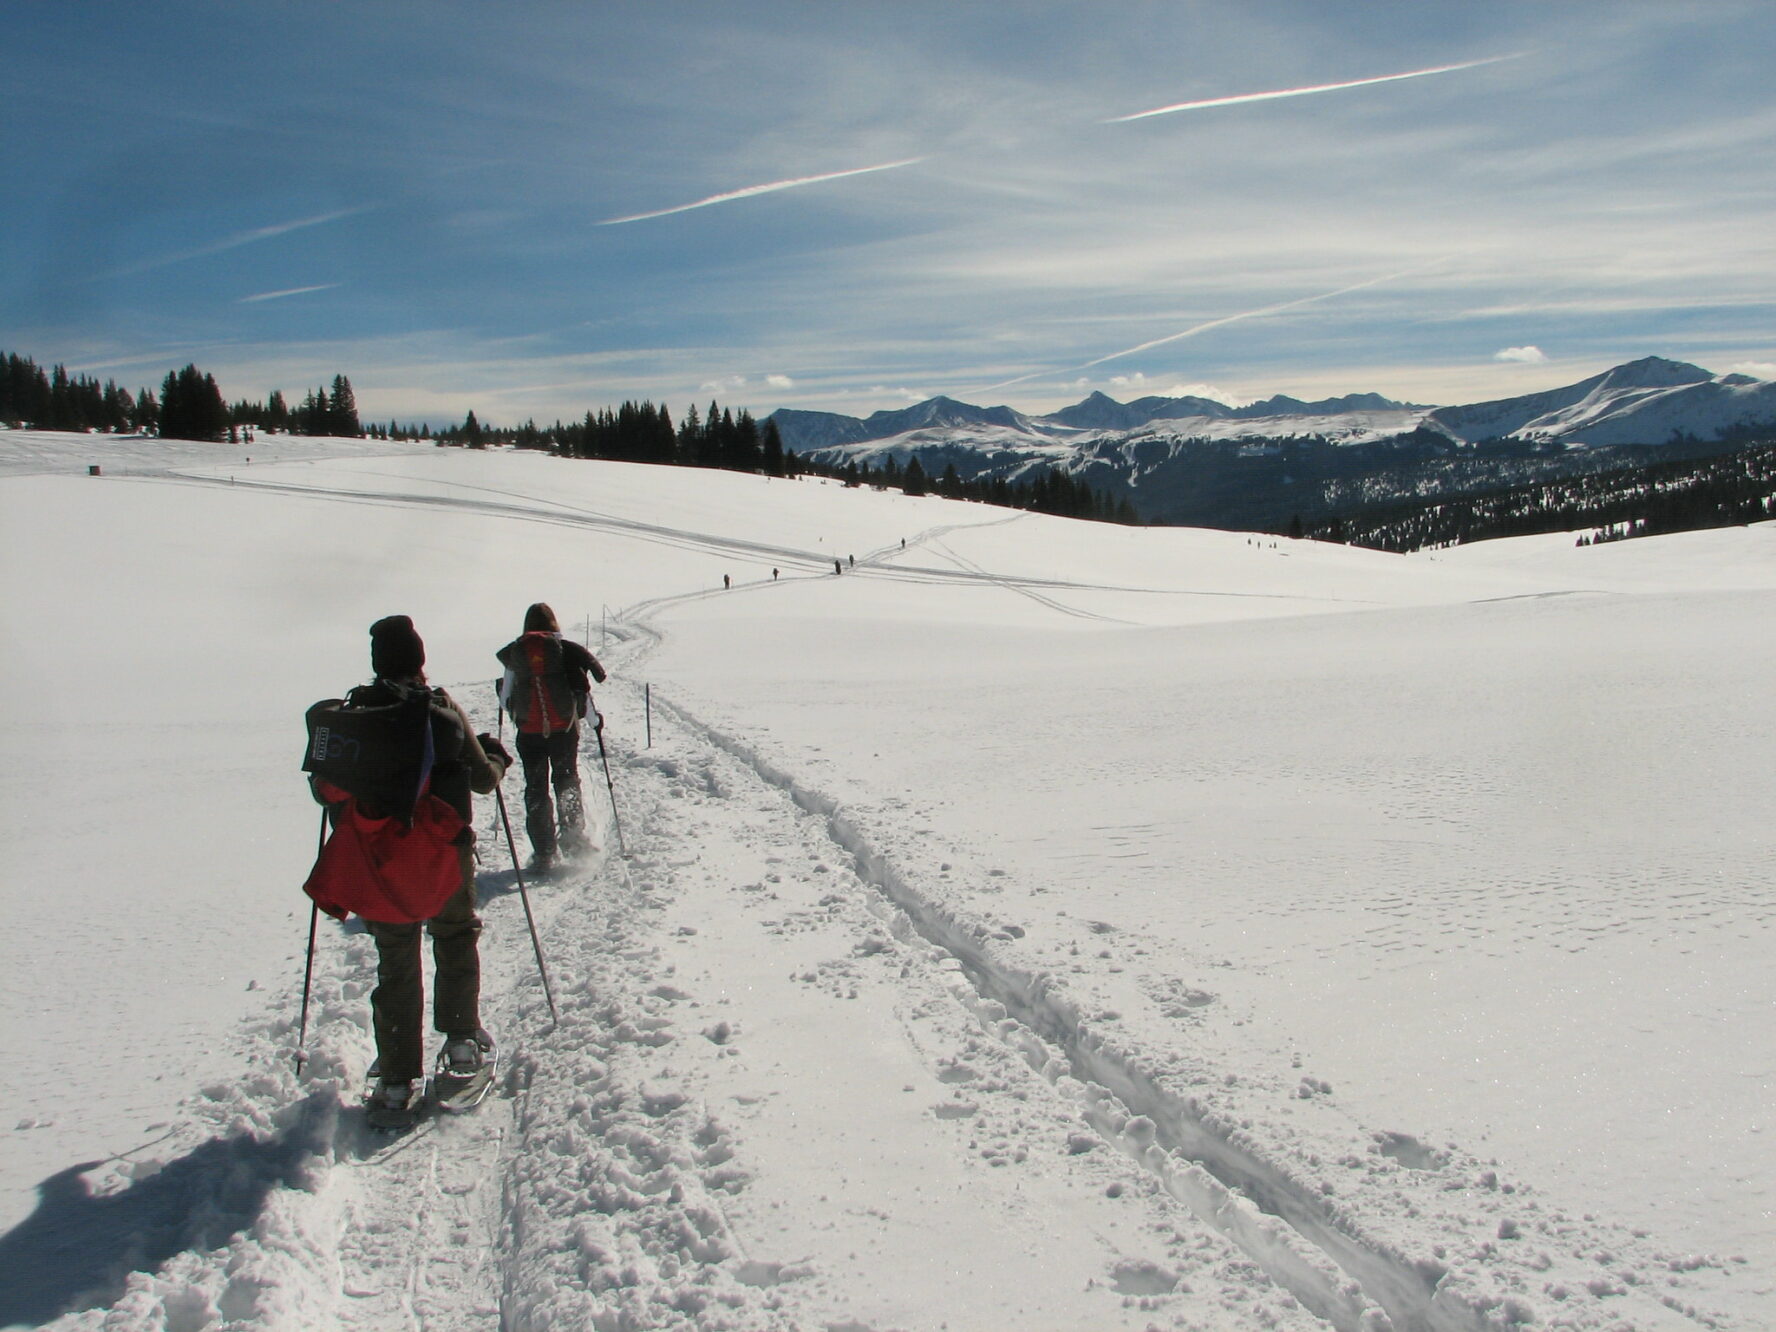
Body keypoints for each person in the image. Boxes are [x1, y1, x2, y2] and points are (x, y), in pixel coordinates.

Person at [310, 615, 511, 1128]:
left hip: (382, 867)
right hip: (443, 856)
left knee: (396, 956)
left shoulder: (355, 716)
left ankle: (398, 1076)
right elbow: (485, 781)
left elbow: (324, 790)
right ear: (419, 659)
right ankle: (462, 1042)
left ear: (379, 663)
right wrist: (493, 754)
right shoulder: (440, 709)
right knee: (455, 933)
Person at [496, 602, 607, 873]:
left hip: (529, 733)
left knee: (535, 787)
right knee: (566, 779)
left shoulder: (517, 653)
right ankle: (574, 840)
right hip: (564, 730)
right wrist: (594, 722)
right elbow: (582, 691)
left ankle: (544, 852)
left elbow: (505, 699)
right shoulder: (564, 650)